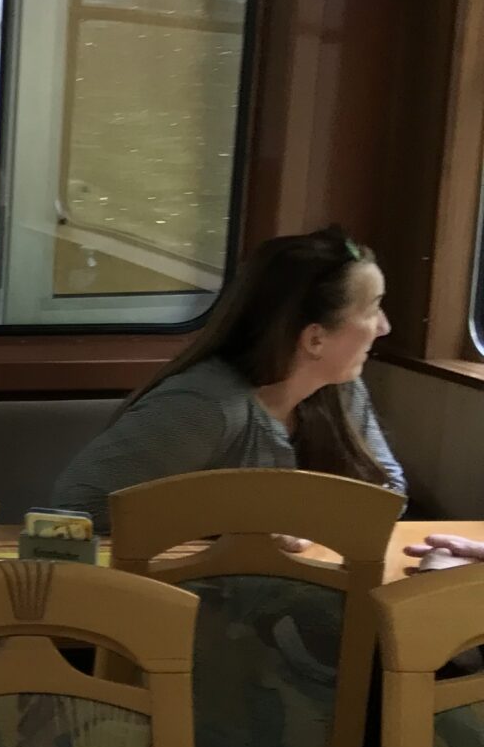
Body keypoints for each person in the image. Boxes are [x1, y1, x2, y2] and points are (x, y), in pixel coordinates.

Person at [48, 224, 404, 527]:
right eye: (373, 309)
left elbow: (388, 493)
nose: (384, 327)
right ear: (315, 339)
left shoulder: (342, 390)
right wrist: (242, 529)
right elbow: (77, 511)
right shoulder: (203, 409)